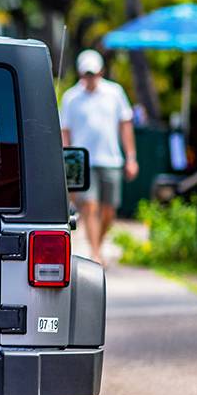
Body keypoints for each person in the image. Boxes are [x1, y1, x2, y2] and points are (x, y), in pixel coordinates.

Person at [60, 49, 138, 262]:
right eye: (86, 74)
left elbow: (125, 126)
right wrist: (67, 160)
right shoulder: (71, 98)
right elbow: (65, 131)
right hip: (82, 161)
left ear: (101, 72)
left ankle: (98, 243)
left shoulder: (115, 93)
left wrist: (131, 157)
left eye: (93, 73)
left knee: (109, 210)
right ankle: (95, 253)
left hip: (111, 159)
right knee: (89, 206)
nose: (89, 78)